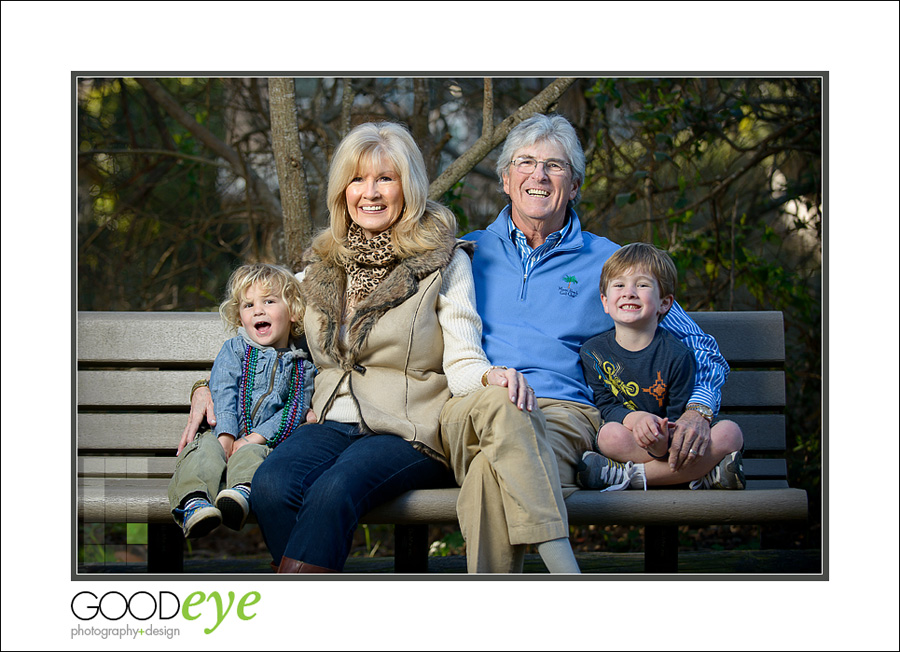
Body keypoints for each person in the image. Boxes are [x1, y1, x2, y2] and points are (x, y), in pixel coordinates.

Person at [182, 121, 538, 573]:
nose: (369, 192)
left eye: (385, 178)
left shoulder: (444, 263)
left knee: (334, 489)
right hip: (329, 421)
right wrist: (205, 386)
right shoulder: (319, 269)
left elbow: (464, 357)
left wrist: (490, 376)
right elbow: (260, 338)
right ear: (341, 191)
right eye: (357, 179)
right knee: (271, 485)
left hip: (409, 430)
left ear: (407, 188)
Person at [440, 113, 731, 573]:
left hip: (561, 414)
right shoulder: (463, 253)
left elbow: (702, 348)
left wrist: (698, 410)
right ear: (504, 179)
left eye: (554, 166)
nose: (538, 175)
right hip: (475, 406)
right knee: (500, 427)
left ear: (573, 186)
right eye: (526, 162)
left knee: (487, 476)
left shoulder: (611, 265)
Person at [576, 243, 744, 492]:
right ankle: (701, 475)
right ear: (604, 301)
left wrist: (662, 439)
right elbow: (607, 405)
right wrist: (638, 420)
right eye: (619, 285)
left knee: (731, 433)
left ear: (665, 304)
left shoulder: (678, 355)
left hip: (676, 438)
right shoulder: (593, 352)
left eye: (642, 285)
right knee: (609, 435)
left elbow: (679, 416)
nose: (629, 292)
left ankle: (628, 477)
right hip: (632, 437)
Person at [168, 263, 315, 538]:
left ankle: (240, 495)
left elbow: (293, 411)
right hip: (221, 431)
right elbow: (223, 390)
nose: (258, 310)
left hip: (261, 440)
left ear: (293, 311)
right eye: (248, 305)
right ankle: (193, 504)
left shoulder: (301, 366)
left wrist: (254, 438)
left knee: (254, 456)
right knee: (203, 452)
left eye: (269, 301)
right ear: (240, 317)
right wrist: (226, 433)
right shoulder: (235, 349)